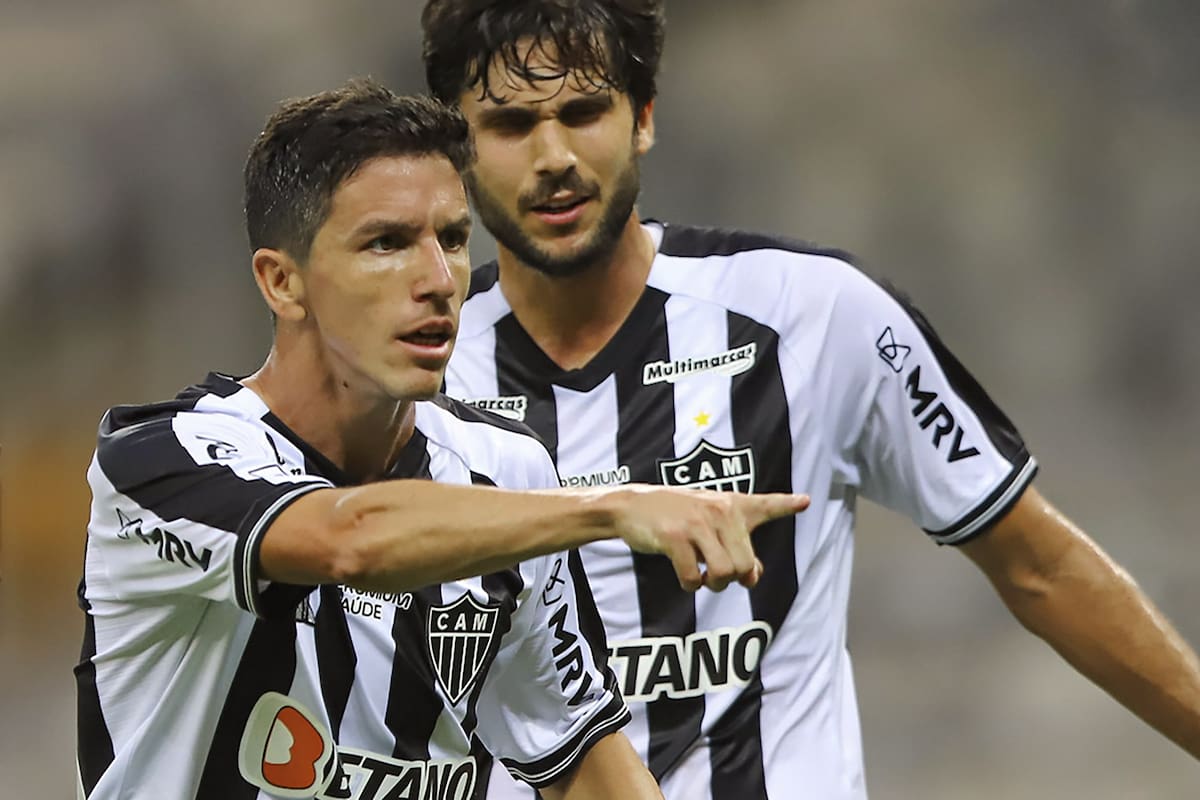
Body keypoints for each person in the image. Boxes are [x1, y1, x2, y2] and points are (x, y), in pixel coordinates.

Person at [421, 2, 1200, 798]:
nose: (553, 156)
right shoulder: (418, 381)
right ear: (457, 149)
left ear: (643, 118)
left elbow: (1040, 565)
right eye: (511, 125)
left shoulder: (815, 313)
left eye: (584, 112)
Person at [73, 79, 811, 800]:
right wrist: (610, 509)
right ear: (282, 283)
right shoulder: (160, 463)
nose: (438, 279)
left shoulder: (505, 468)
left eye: (454, 240)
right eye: (387, 242)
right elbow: (349, 543)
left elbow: (582, 760)